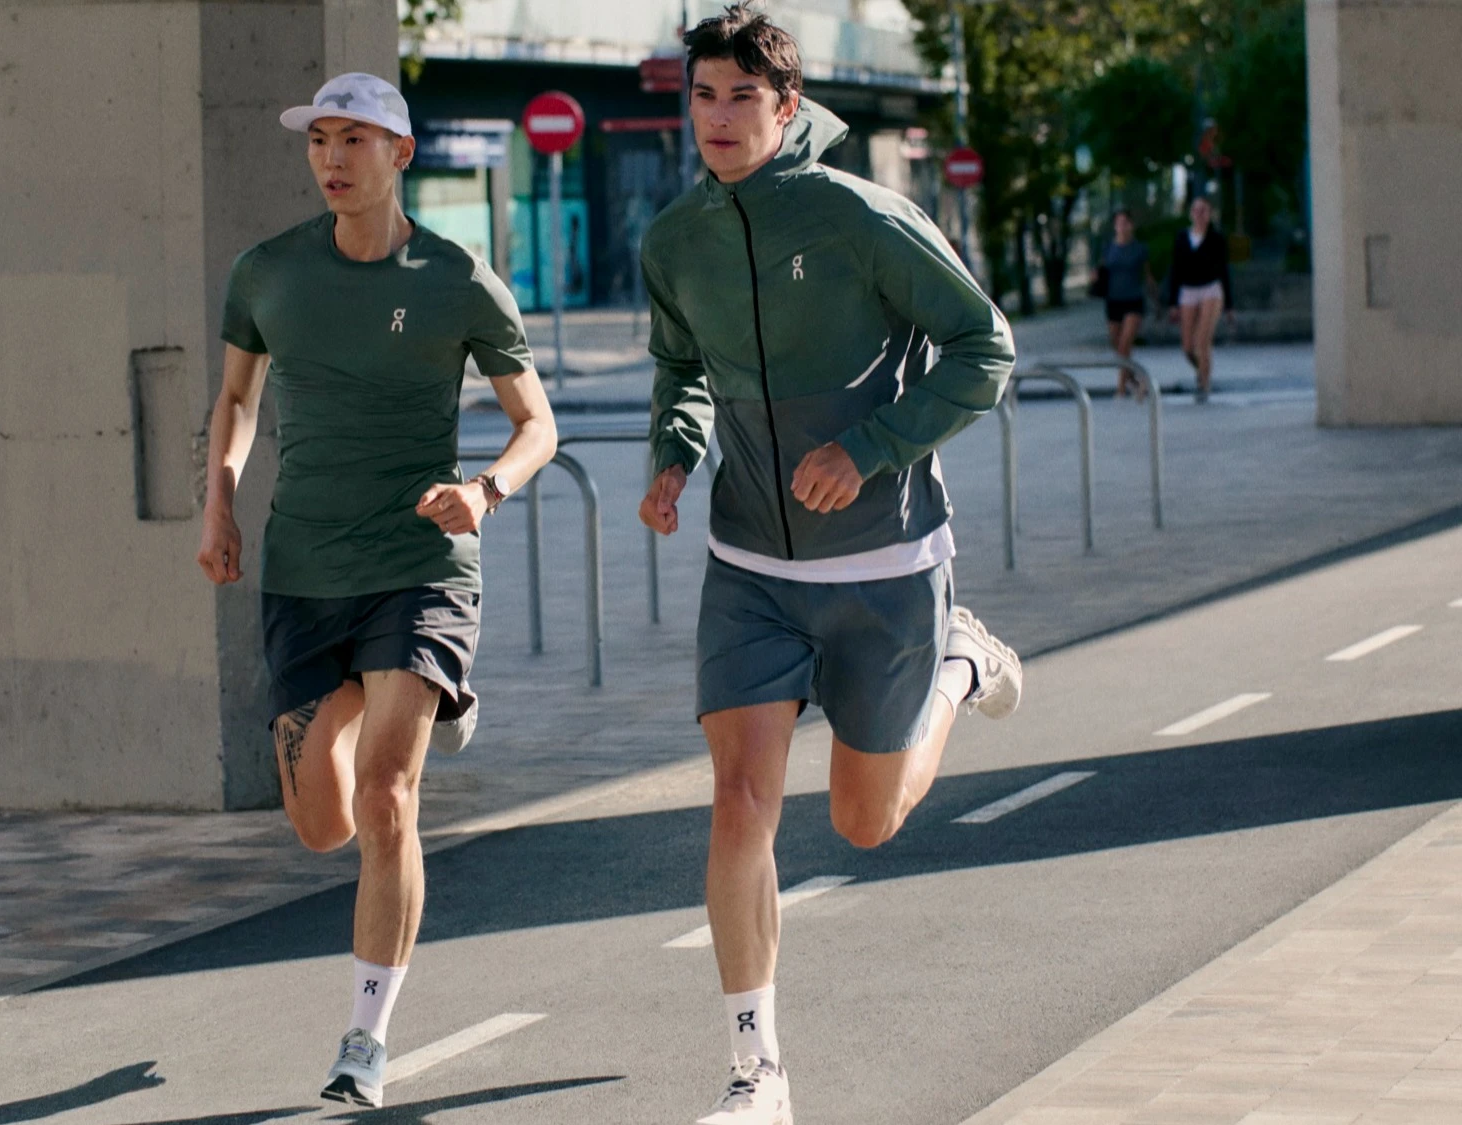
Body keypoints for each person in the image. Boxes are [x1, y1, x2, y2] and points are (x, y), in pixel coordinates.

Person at [638, 8, 1024, 1122]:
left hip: (884, 560)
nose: (716, 118)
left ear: (786, 107)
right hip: (749, 563)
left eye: (740, 98)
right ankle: (755, 1068)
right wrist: (671, 456)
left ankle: (957, 661)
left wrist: (867, 450)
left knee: (863, 824)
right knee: (738, 801)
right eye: (701, 95)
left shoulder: (861, 217)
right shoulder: (673, 242)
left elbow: (982, 346)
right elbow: (680, 371)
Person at [195, 71, 557, 1109]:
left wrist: (486, 490)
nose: (330, 157)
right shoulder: (266, 274)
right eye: (319, 139)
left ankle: (364, 1041)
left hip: (419, 565)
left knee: (387, 797)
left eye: (353, 138)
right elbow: (232, 399)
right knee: (322, 824)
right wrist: (216, 506)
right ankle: (395, 697)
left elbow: (537, 423)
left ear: (399, 154)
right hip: (305, 571)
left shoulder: (457, 279)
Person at [1165, 196, 1233, 404]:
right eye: (1196, 210)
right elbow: (1175, 269)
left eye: (1204, 210)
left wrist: (1230, 305)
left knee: (1202, 341)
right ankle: (1202, 368)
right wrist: (1173, 302)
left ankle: (1204, 382)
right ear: (1191, 213)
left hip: (1210, 289)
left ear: (1210, 214)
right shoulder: (1182, 238)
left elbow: (1224, 271)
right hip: (1188, 290)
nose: (1200, 214)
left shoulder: (1217, 239)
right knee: (1188, 347)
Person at [1099, 209, 1152, 400]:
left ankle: (1120, 388)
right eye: (1118, 223)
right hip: (1113, 300)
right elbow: (1102, 269)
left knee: (1124, 344)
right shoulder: (1108, 248)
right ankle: (1136, 380)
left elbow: (1147, 276)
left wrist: (1157, 300)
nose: (1121, 226)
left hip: (1133, 300)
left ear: (1131, 225)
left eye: (1125, 222)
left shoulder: (1139, 249)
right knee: (1118, 346)